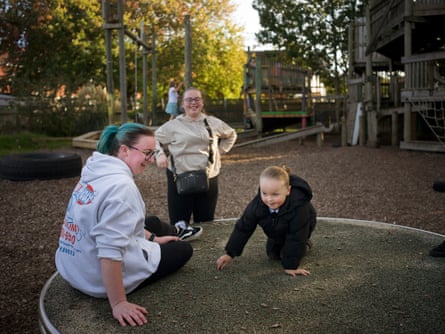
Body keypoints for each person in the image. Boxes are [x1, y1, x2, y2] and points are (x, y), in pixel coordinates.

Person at [55, 123, 194, 327]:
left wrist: (154, 239)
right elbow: (109, 252)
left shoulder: (94, 169)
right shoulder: (121, 188)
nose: (151, 160)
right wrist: (119, 303)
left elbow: (112, 224)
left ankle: (168, 232)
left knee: (153, 222)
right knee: (183, 249)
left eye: (153, 153)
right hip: (94, 278)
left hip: (74, 266)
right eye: (147, 153)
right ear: (124, 150)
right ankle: (178, 232)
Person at [155, 87, 237, 233]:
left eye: (197, 99)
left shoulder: (213, 122)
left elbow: (231, 134)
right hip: (179, 177)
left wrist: (220, 151)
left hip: (208, 176)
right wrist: (159, 154)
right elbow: (153, 139)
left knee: (206, 221)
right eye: (189, 100)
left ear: (202, 102)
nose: (193, 103)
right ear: (182, 104)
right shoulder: (173, 125)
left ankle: (205, 253)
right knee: (179, 223)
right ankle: (180, 251)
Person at [216, 165, 316, 277]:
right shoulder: (258, 205)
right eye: (265, 193)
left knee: (291, 248)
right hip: (276, 226)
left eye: (275, 194)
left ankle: (306, 244)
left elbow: (297, 236)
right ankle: (279, 240)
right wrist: (230, 253)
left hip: (302, 226)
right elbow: (243, 227)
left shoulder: (299, 206)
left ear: (288, 190)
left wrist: (290, 266)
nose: (269, 199)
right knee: (273, 254)